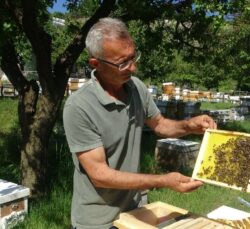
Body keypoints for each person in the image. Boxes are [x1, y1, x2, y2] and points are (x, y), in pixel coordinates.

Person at [63, 17, 217, 229]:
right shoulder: (79, 107)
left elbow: (160, 124)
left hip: (135, 209)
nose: (133, 68)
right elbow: (100, 175)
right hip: (97, 220)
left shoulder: (136, 87)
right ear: (95, 63)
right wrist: (163, 181)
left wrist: (189, 125)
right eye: (122, 63)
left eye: (133, 58)